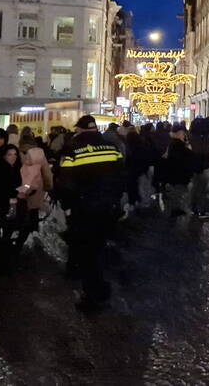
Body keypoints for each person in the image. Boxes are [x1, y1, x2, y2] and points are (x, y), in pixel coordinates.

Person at [58, 115, 126, 311]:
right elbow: (122, 176)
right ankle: (101, 286)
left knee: (86, 252)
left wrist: (68, 206)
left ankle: (92, 296)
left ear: (79, 129)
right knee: (98, 247)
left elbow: (66, 182)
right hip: (108, 208)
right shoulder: (112, 148)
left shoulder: (73, 149)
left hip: (84, 209)